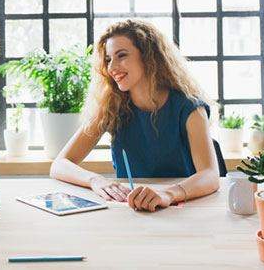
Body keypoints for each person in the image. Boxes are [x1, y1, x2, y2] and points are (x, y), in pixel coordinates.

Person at [50, 19, 220, 212]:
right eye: (108, 59)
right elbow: (59, 165)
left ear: (148, 57)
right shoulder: (111, 107)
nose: (112, 67)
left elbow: (210, 175)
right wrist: (95, 180)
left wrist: (167, 194)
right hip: (131, 211)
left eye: (121, 55)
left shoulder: (190, 108)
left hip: (183, 211)